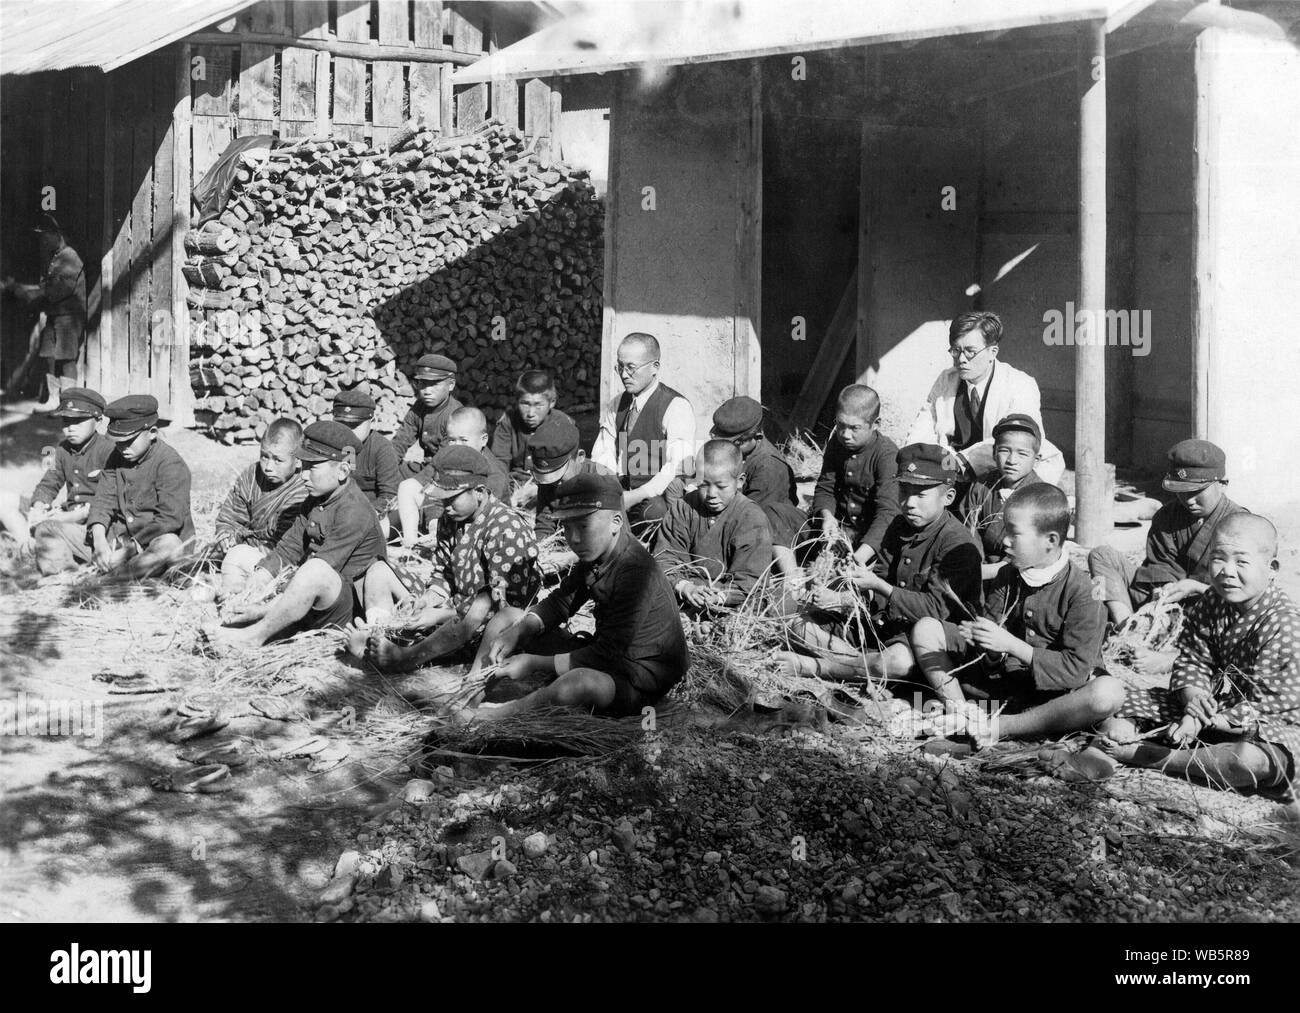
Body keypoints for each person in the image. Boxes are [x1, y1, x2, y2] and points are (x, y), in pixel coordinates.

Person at [1050, 515, 1299, 817]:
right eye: (1218, 558)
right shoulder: (1211, 601)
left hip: (1267, 725)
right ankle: (1099, 755)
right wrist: (1194, 702)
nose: (1227, 572)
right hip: (1207, 709)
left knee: (1248, 760)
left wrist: (1206, 718)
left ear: (1271, 569)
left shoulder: (1284, 623)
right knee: (1125, 704)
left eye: (1241, 562)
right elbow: (1193, 660)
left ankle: (1153, 756)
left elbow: (1269, 705)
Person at [911, 483, 1125, 747]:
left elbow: (1076, 671)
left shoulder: (1086, 590)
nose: (1004, 541)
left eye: (1015, 533)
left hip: (1054, 699)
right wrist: (989, 648)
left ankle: (1001, 727)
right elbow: (989, 649)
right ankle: (962, 714)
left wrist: (1010, 645)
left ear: (1051, 541)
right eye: (1005, 531)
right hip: (1005, 687)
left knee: (1108, 693)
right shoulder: (1008, 574)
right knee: (925, 629)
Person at [472, 473, 690, 719]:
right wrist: (519, 631)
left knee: (578, 683)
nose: (573, 539)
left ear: (616, 522)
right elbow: (561, 602)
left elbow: (608, 655)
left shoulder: (635, 571)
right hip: (605, 655)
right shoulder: (596, 553)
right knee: (509, 618)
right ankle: (470, 694)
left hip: (639, 679)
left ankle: (497, 717)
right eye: (566, 527)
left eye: (584, 526)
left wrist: (533, 662)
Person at [777, 444, 982, 681]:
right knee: (793, 621)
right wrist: (844, 599)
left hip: (926, 640)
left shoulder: (958, 545)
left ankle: (818, 667)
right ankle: (863, 666)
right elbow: (882, 577)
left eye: (920, 494)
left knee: (898, 662)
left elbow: (936, 611)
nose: (909, 503)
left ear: (948, 497)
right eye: (904, 492)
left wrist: (879, 587)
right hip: (884, 626)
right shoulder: (899, 525)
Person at [352, 446, 539, 671]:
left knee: (473, 622)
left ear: (479, 491)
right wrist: (427, 600)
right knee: (378, 571)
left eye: (451, 499)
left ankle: (405, 657)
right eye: (442, 500)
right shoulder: (449, 520)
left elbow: (501, 608)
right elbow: (442, 573)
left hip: (488, 623)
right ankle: (380, 632)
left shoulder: (507, 529)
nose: (445, 507)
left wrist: (439, 615)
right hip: (453, 606)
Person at [205, 421, 385, 650]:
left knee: (314, 569)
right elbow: (288, 548)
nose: (303, 476)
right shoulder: (317, 499)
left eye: (312, 468)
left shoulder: (354, 510)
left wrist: (264, 607)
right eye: (304, 466)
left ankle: (254, 636)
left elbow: (321, 571)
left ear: (342, 471)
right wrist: (256, 583)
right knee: (241, 557)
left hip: (343, 611)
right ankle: (236, 609)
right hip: (312, 597)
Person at [1088, 439, 1245, 624]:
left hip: (1210, 606)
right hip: (1165, 600)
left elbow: (1249, 589)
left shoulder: (1242, 525)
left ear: (1223, 483)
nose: (1189, 500)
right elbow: (1160, 564)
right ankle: (1125, 624)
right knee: (1100, 555)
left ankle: (1146, 625)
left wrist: (1197, 588)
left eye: (1197, 491)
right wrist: (1163, 587)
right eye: (1182, 491)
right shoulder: (1166, 515)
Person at [907, 311, 1065, 485]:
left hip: (1001, 475)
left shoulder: (1020, 384)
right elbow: (923, 427)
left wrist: (959, 462)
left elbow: (1015, 440)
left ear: (992, 352)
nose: (961, 359)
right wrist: (915, 457)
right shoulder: (947, 379)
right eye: (955, 350)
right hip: (950, 472)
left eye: (970, 351)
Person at [0, 386, 113, 574]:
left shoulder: (108, 451)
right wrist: (38, 506)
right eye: (66, 421)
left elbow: (112, 501)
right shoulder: (61, 449)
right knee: (3, 499)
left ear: (98, 421)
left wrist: (71, 516)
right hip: (65, 514)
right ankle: (28, 546)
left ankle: (38, 549)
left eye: (78, 421)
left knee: (49, 528)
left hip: (91, 522)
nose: (70, 428)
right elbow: (49, 483)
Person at [590, 332, 695, 531]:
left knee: (655, 514)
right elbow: (603, 451)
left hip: (655, 496)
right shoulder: (618, 403)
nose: (623, 375)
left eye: (631, 367)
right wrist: (611, 488)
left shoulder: (675, 406)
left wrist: (637, 495)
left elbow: (677, 466)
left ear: (654, 367)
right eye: (620, 367)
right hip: (622, 491)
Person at [85, 395, 194, 581]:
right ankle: (71, 573)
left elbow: (169, 520)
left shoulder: (171, 464)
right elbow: (104, 499)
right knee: (51, 529)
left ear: (152, 432)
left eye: (129, 441)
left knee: (169, 545)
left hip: (153, 543)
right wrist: (99, 539)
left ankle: (107, 581)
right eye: (118, 442)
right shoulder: (116, 456)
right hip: (120, 540)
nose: (122, 448)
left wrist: (129, 550)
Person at [656, 440, 774, 612]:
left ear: (740, 481)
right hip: (685, 593)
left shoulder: (752, 518)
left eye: (721, 486)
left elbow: (751, 579)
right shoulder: (684, 508)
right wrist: (685, 587)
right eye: (703, 484)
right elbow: (665, 557)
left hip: (728, 601)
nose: (711, 494)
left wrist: (719, 596)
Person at [210, 418, 310, 598]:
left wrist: (240, 551)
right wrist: (226, 536)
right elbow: (230, 516)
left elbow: (287, 546)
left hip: (275, 562)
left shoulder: (302, 490)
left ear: (298, 461)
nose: (268, 467)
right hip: (243, 548)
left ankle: (234, 596)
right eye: (264, 456)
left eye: (278, 460)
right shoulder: (252, 475)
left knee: (237, 558)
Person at [710, 395, 807, 579]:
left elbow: (753, 521)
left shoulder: (768, 467)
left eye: (732, 443)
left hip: (761, 539)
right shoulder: (737, 453)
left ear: (757, 437)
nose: (724, 447)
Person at [1, 215, 87, 412]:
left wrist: (33, 294)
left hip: (68, 317)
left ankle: (68, 404)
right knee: (49, 355)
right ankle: (53, 400)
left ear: (57, 235)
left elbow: (61, 289)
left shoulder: (70, 256)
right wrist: (20, 288)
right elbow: (46, 286)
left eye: (46, 236)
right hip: (54, 315)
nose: (44, 241)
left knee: (66, 358)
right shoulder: (56, 258)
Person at [810, 384, 899, 565]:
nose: (845, 434)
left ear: (876, 424)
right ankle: (791, 575)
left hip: (870, 538)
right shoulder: (837, 443)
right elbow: (826, 487)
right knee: (780, 514)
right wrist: (827, 517)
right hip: (837, 530)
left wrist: (859, 557)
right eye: (840, 425)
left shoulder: (887, 455)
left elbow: (887, 513)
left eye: (854, 428)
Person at [957, 413, 1047, 582]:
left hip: (1019, 573)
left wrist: (986, 572)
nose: (1012, 460)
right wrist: (974, 563)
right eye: (1004, 451)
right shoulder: (981, 486)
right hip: (977, 567)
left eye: (1022, 453)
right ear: (993, 452)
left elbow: (1030, 553)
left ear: (1037, 458)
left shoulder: (1041, 497)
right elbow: (968, 531)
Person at [392, 353, 462, 545]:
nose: (426, 390)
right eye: (422, 384)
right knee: (391, 471)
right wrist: (386, 469)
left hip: (449, 471)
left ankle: (429, 531)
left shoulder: (455, 415)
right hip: (428, 466)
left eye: (434, 384)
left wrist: (415, 482)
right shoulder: (419, 407)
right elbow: (400, 441)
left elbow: (442, 462)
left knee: (418, 488)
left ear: (451, 385)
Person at [528, 413, 615, 541]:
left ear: (580, 457)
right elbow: (545, 525)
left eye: (558, 475)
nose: (553, 483)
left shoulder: (604, 480)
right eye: (546, 476)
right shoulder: (548, 482)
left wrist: (568, 557)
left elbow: (607, 539)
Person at [490, 369, 573, 497]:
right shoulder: (508, 422)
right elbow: (499, 464)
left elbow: (568, 470)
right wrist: (504, 495)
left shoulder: (563, 425)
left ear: (552, 403)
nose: (530, 413)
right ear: (517, 401)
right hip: (513, 486)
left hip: (551, 487)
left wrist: (538, 491)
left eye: (538, 405)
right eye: (525, 404)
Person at [333, 388, 400, 537]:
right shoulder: (330, 444)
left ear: (373, 422)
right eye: (342, 425)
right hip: (336, 509)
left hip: (371, 512)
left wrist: (363, 514)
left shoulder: (382, 448)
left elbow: (389, 494)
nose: (348, 432)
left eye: (355, 426)